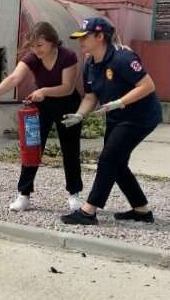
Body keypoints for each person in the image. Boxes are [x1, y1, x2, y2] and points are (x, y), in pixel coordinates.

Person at [60, 17, 162, 225]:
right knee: (117, 163)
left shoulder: (122, 58)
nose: (80, 41)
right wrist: (80, 115)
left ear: (100, 37)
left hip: (140, 116)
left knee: (108, 159)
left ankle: (88, 212)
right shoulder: (90, 64)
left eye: (85, 37)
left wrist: (120, 102)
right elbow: (91, 97)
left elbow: (147, 86)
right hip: (116, 117)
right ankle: (142, 210)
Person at [0, 22, 84, 212]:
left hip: (68, 104)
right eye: (33, 46)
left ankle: (74, 195)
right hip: (42, 105)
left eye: (40, 45)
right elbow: (14, 78)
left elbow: (67, 88)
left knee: (70, 150)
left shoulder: (67, 56)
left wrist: (43, 91)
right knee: (32, 147)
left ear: (52, 41)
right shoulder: (32, 57)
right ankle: (24, 195)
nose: (36, 50)